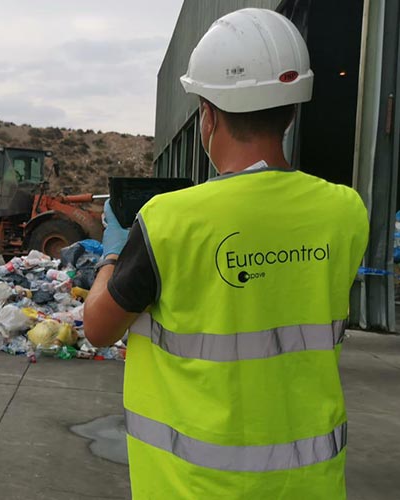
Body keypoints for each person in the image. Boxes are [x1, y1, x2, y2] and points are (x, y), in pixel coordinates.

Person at [83, 8, 369, 499]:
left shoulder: (170, 220)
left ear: (208, 116)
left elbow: (98, 329)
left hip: (192, 486)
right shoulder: (346, 211)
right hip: (310, 484)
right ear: (292, 109)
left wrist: (113, 254)